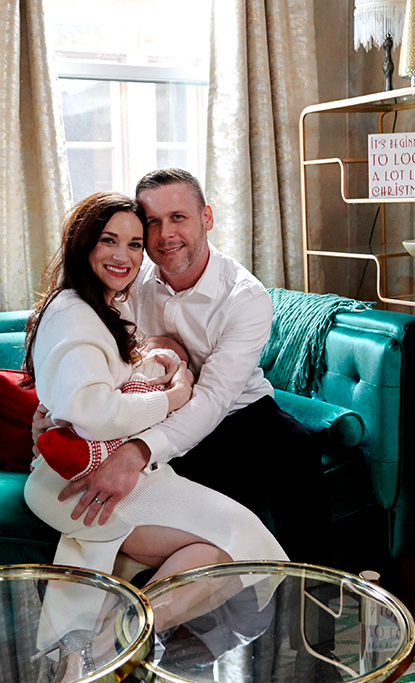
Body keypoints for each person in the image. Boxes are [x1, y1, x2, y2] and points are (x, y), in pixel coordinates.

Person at [56, 168, 330, 565]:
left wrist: (138, 452)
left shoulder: (246, 297)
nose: (165, 234)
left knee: (297, 450)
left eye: (178, 217)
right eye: (153, 222)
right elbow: (93, 351)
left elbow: (215, 397)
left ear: (207, 219)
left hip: (238, 411)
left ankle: (314, 592)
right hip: (150, 406)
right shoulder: (128, 274)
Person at [22, 192, 286, 603]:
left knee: (234, 545)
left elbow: (102, 387)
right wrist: (174, 397)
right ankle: (118, 648)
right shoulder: (74, 311)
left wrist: (155, 363)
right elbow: (95, 413)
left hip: (110, 458)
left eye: (133, 244)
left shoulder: (109, 305)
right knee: (234, 547)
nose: (123, 256)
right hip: (79, 472)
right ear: (82, 242)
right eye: (108, 240)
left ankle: (110, 638)